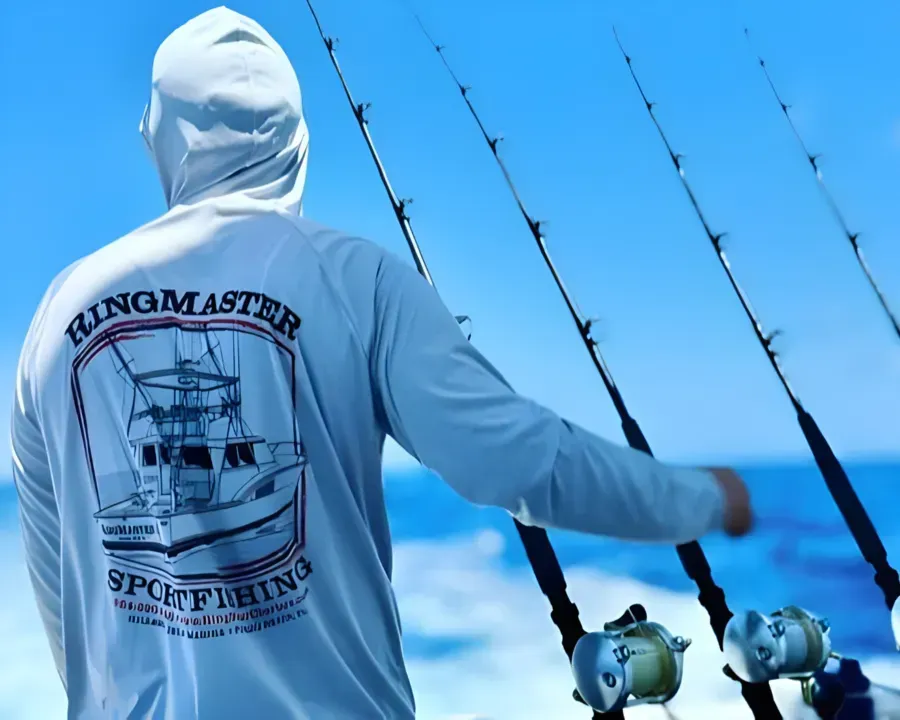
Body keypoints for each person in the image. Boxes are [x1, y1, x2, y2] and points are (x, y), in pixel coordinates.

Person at [10, 6, 751, 719]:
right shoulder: (357, 279)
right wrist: (701, 499)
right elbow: (524, 463)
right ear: (298, 142)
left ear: (159, 137)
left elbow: (68, 607)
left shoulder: (59, 312)